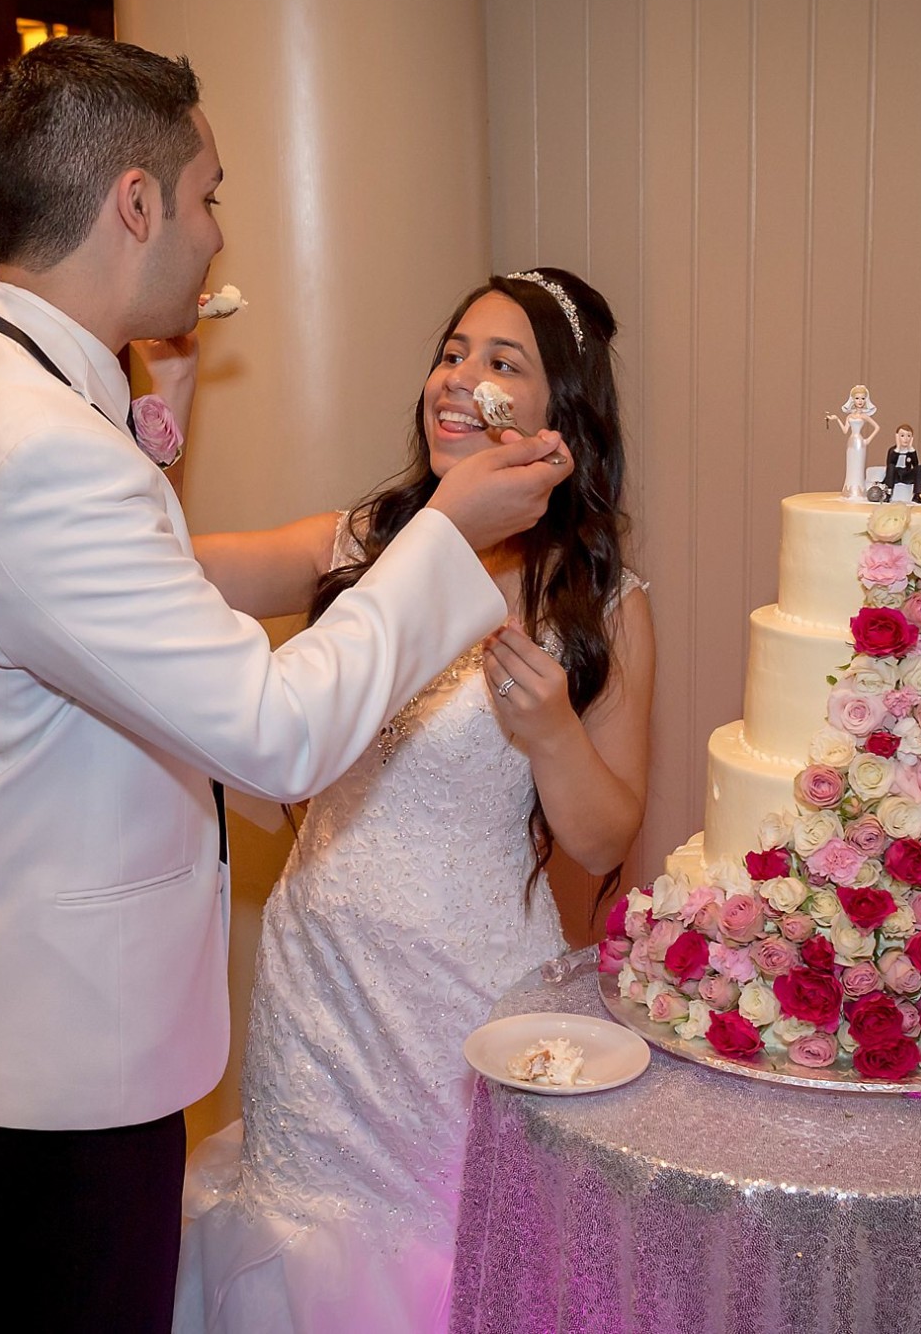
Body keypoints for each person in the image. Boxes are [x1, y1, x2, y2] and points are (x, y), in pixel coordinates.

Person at [0, 38, 574, 1334]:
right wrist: (446, 535)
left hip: (13, 992)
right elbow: (271, 732)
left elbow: (119, 601)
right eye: (209, 196)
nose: (217, 231)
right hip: (46, 1048)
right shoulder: (36, 453)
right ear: (135, 203)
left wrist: (350, 516)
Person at [173, 268, 654, 1334]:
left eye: (499, 361)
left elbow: (604, 833)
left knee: (456, 1247)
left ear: (557, 416)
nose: (457, 377)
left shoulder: (599, 601)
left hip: (469, 997)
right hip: (321, 985)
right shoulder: (360, 543)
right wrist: (147, 415)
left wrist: (549, 735)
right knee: (305, 1239)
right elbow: (173, 573)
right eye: (450, 352)